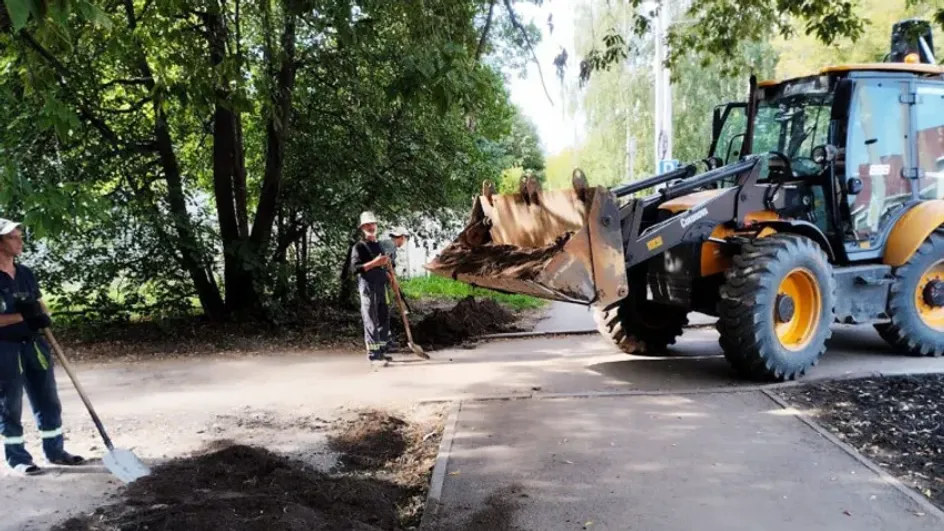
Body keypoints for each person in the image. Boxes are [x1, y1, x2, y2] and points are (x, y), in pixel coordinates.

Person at [0, 218, 84, 476]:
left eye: (19, 236)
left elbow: (39, 303)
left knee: (48, 400)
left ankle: (55, 451)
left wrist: (42, 315)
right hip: (5, 347)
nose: (19, 242)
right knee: (9, 405)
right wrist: (25, 317)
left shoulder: (25, 273)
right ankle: (18, 459)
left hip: (35, 344)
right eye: (13, 237)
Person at [350, 212, 393, 366]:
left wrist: (390, 276)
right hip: (368, 287)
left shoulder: (380, 245)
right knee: (370, 321)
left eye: (372, 224)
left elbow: (387, 267)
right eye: (367, 225)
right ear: (362, 228)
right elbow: (355, 269)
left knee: (383, 319)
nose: (371, 227)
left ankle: (381, 351)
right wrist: (374, 263)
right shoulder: (359, 247)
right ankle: (374, 356)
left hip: (382, 287)